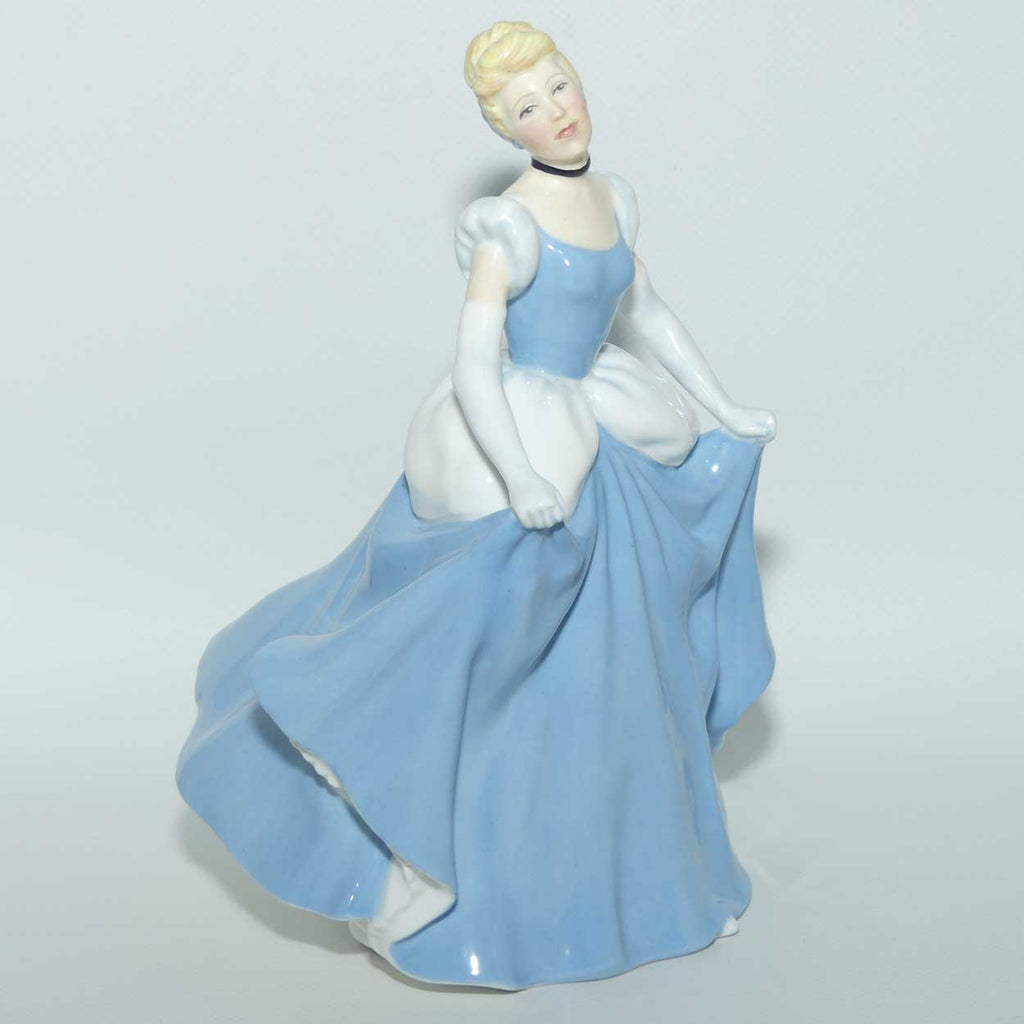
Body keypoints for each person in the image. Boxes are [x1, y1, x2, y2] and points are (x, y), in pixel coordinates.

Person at [176, 21, 777, 990]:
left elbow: (649, 315)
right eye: (529, 105)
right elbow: (473, 362)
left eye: (559, 85)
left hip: (604, 424)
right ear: (505, 127)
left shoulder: (616, 198)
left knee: (629, 672)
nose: (556, 111)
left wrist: (725, 408)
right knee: (501, 651)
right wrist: (520, 474)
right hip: (530, 431)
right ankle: (454, 864)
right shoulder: (507, 226)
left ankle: (649, 880)